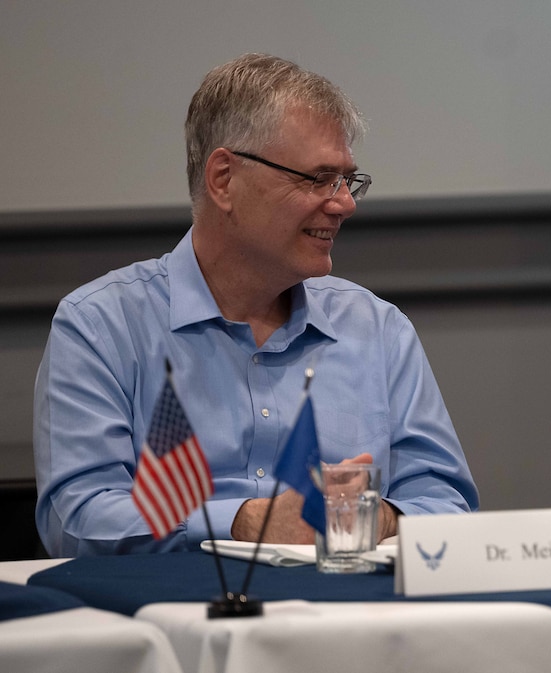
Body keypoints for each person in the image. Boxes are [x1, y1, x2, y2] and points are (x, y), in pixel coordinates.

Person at [34, 53, 479, 556]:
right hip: (175, 619)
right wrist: (244, 523)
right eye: (318, 178)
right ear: (224, 179)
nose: (344, 203)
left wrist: (383, 519)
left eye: (347, 180)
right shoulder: (102, 326)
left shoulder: (378, 329)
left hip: (348, 615)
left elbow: (445, 503)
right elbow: (77, 521)